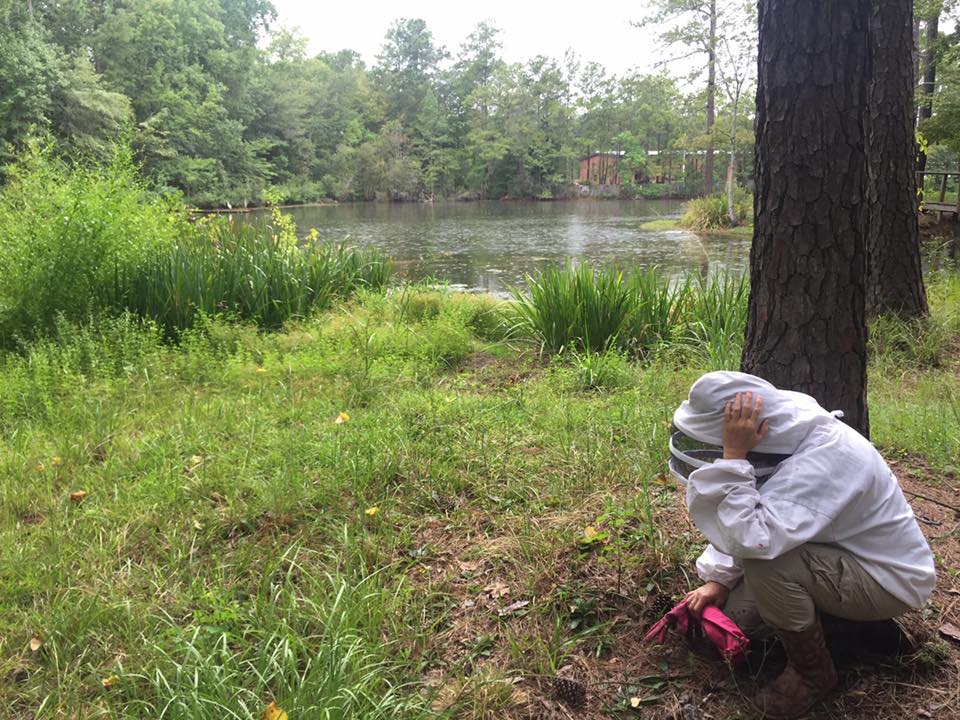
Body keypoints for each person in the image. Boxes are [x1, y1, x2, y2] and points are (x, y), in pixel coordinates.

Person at [672, 371, 936, 720]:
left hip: (888, 578)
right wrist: (718, 578)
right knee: (741, 618)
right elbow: (765, 499)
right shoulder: (791, 441)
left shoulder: (829, 458)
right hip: (838, 556)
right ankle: (845, 626)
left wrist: (734, 455)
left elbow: (756, 538)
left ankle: (812, 674)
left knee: (769, 567)